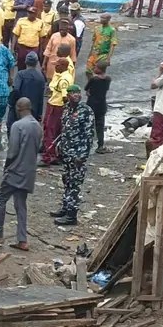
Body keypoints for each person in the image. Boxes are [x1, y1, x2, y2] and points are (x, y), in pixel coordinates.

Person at [0, 99, 42, 251]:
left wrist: (7, 167)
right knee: (20, 205)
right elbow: (38, 147)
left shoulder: (17, 126)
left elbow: (12, 151)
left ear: (18, 108)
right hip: (29, 171)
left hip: (15, 170)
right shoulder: (37, 126)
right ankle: (22, 240)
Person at [50, 85, 95, 226]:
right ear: (68, 95)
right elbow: (64, 130)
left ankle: (71, 216)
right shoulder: (67, 109)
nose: (76, 95)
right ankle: (65, 208)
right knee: (67, 181)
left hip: (78, 155)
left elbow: (89, 135)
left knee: (74, 184)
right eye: (73, 93)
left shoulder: (86, 111)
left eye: (78, 92)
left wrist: (83, 155)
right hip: (67, 153)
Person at [39, 57, 73, 167]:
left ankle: (48, 156)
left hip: (57, 106)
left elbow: (65, 97)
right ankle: (55, 153)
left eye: (57, 65)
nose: (55, 67)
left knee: (51, 130)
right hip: (55, 105)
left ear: (63, 66)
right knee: (55, 130)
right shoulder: (64, 75)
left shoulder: (64, 80)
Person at [7, 51, 45, 135]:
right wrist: (39, 114)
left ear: (25, 62)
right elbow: (40, 98)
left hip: (19, 108)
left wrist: (11, 104)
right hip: (33, 110)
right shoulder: (41, 77)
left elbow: (16, 90)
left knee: (13, 130)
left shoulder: (21, 74)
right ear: (36, 63)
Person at [85, 60, 111, 154]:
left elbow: (86, 88)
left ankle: (86, 143)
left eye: (96, 67)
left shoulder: (93, 79)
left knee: (88, 125)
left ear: (100, 69)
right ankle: (100, 145)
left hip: (92, 104)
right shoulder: (108, 79)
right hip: (102, 104)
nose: (94, 69)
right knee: (100, 126)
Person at [86, 13, 117, 78]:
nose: (101, 20)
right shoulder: (97, 28)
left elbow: (112, 45)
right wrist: (90, 53)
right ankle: (91, 85)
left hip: (103, 55)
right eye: (101, 18)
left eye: (103, 18)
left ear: (108, 19)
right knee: (88, 71)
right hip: (94, 53)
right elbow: (94, 41)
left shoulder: (112, 30)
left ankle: (99, 86)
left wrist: (108, 58)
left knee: (99, 72)